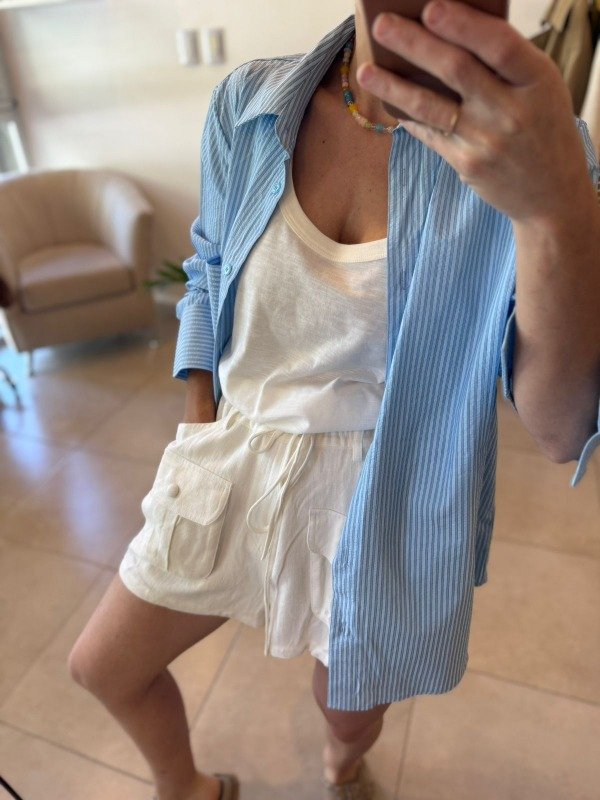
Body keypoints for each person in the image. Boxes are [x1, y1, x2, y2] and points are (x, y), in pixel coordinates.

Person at [67, 2, 600, 799]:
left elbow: (560, 429)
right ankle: (185, 787)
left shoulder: (544, 157)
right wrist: (197, 424)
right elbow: (208, 268)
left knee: (346, 711)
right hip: (235, 452)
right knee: (103, 665)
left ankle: (341, 767)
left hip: (388, 495)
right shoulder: (251, 105)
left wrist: (554, 209)